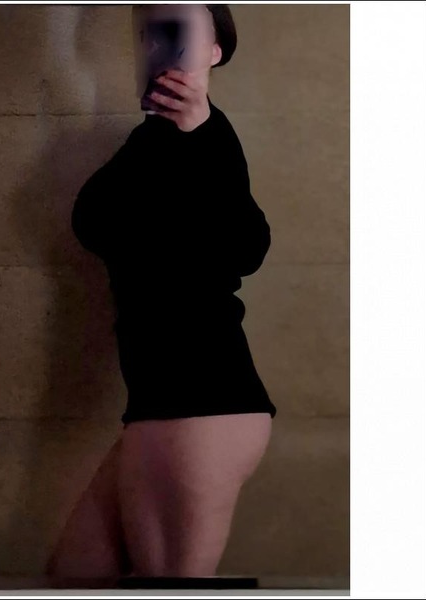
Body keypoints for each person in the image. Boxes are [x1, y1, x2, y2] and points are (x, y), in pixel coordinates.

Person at [46, 4, 277, 587]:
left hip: (202, 396)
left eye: (180, 29)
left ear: (215, 51)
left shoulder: (211, 137)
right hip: (157, 397)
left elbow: (246, 247)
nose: (160, 40)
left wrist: (199, 132)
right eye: (154, 30)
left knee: (170, 588)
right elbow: (95, 224)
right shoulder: (145, 140)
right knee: (78, 573)